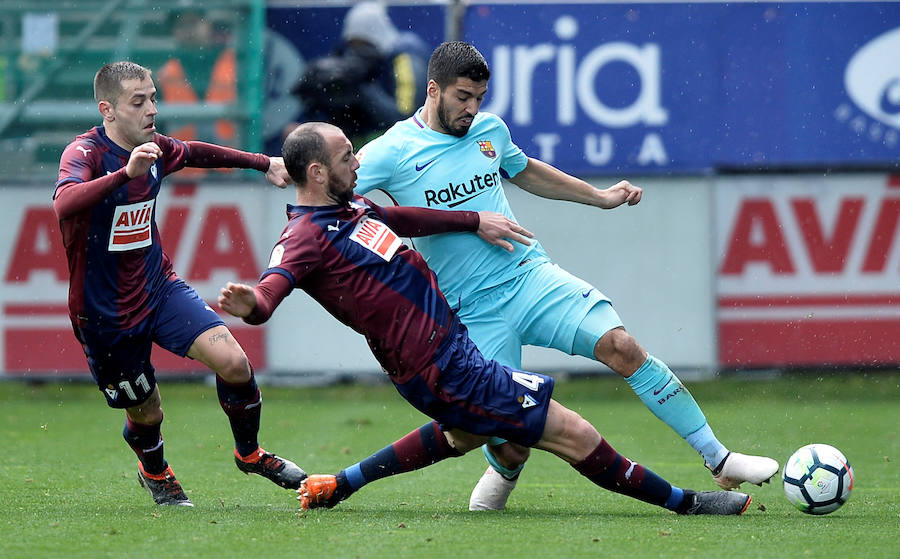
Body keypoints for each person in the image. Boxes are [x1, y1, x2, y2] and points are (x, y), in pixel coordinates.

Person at [218, 121, 752, 517]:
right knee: (572, 431)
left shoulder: (352, 208)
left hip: (451, 354)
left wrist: (474, 219)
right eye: (346, 157)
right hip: (442, 369)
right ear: (317, 172)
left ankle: (340, 484)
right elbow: (270, 291)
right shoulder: (304, 238)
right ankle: (689, 504)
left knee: (464, 434)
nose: (357, 162)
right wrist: (254, 305)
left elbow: (405, 217)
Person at [351, 41, 779, 511]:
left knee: (621, 346)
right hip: (469, 311)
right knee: (504, 432)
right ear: (432, 90)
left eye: (479, 98)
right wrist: (270, 165)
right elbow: (330, 188)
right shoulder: (390, 151)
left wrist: (598, 197)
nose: (473, 109)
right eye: (462, 97)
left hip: (528, 276)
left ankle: (719, 459)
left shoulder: (489, 130)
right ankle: (506, 468)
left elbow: (524, 170)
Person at [53, 61, 306, 507]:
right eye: (139, 101)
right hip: (104, 315)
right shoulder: (85, 153)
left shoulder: (155, 149)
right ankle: (154, 470)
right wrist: (123, 175)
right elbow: (64, 203)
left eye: (153, 97)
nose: (152, 109)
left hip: (158, 288)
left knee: (233, 362)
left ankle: (249, 454)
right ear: (107, 110)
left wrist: (263, 162)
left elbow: (195, 152)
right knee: (148, 411)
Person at [289, 1, 428, 146]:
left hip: (398, 147)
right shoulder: (349, 60)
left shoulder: (405, 56)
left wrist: (362, 92)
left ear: (377, 36)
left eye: (363, 45)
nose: (357, 54)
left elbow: (406, 117)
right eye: (353, 46)